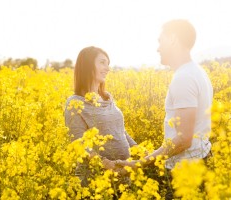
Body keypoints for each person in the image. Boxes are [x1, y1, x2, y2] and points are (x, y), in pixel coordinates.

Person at [112, 19, 213, 199]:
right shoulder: (196, 72)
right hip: (197, 163)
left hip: (186, 172)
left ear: (173, 39)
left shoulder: (184, 78)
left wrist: (139, 164)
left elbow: (183, 140)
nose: (157, 48)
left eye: (160, 41)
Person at [64, 46, 137, 187]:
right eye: (102, 62)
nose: (107, 68)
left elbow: (120, 131)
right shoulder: (75, 102)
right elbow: (78, 144)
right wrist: (108, 165)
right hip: (96, 180)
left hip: (124, 176)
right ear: (87, 65)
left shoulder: (107, 97)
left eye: (108, 64)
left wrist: (139, 150)